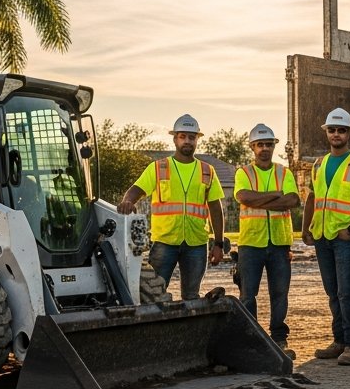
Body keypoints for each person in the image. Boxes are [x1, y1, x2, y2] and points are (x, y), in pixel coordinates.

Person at [118, 114, 225, 300]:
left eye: (192, 137)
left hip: (196, 243)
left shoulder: (207, 170)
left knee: (192, 296)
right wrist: (128, 201)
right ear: (175, 139)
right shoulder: (159, 167)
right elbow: (136, 189)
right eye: (183, 136)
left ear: (197, 140)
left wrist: (218, 244)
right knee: (154, 295)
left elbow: (216, 208)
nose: (187, 141)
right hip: (164, 242)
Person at [301, 108, 350, 366]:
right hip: (323, 235)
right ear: (327, 132)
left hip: (346, 237)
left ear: (349, 134)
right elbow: (313, 196)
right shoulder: (319, 164)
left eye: (341, 130)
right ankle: (339, 341)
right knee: (332, 290)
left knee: (347, 291)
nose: (336, 134)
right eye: (332, 129)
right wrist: (305, 227)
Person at [233, 124, 301, 358]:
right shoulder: (244, 172)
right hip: (251, 243)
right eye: (260, 144)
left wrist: (260, 200)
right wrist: (276, 195)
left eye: (268, 144)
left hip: (280, 243)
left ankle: (279, 340)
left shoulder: (284, 172)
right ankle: (251, 340)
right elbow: (244, 196)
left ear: (274, 146)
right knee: (247, 294)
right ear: (252, 147)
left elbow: (292, 200)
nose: (264, 148)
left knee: (280, 293)